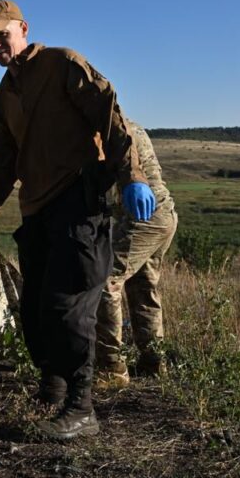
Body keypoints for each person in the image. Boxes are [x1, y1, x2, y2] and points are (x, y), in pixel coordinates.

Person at [0, 0, 156, 440]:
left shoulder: (62, 64)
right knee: (34, 311)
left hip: (79, 201)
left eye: (1, 33)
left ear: (23, 27)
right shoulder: (2, 97)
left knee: (68, 306)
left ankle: (82, 406)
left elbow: (112, 118)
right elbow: (1, 165)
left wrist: (132, 178)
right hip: (37, 210)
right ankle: (53, 385)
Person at [94, 119, 177, 389]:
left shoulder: (110, 128)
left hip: (144, 217)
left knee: (106, 280)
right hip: (162, 215)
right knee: (143, 287)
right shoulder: (131, 126)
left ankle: (111, 367)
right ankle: (153, 363)